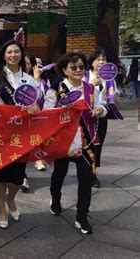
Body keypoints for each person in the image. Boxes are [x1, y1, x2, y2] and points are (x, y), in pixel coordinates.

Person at [0, 40, 40, 229]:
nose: (13, 55)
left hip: (22, 133)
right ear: (4, 55)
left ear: (21, 55)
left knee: (18, 176)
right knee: (0, 174)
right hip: (0, 131)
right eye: (9, 52)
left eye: (16, 52)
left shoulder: (29, 79)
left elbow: (36, 106)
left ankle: (11, 198)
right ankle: (2, 209)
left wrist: (33, 109)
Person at [50, 51, 107, 235]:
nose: (78, 70)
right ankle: (55, 199)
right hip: (64, 139)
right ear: (65, 69)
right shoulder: (57, 88)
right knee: (60, 172)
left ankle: (82, 217)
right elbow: (46, 111)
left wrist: (101, 109)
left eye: (81, 67)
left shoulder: (90, 87)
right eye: (73, 67)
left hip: (86, 139)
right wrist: (60, 109)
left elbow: (102, 105)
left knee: (85, 177)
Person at [86, 49, 117, 188]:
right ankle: (85, 171)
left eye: (103, 59)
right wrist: (90, 87)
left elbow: (111, 99)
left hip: (101, 118)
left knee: (98, 145)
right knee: (86, 145)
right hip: (85, 118)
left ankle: (93, 173)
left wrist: (103, 107)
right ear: (92, 62)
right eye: (98, 59)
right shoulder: (84, 76)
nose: (101, 62)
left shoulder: (109, 79)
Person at [24, 54, 48, 176]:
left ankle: (38, 160)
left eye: (28, 63)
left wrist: (36, 79)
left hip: (34, 113)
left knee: (35, 137)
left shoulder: (39, 80)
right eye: (24, 62)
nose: (25, 65)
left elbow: (40, 96)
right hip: (17, 116)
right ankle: (22, 176)